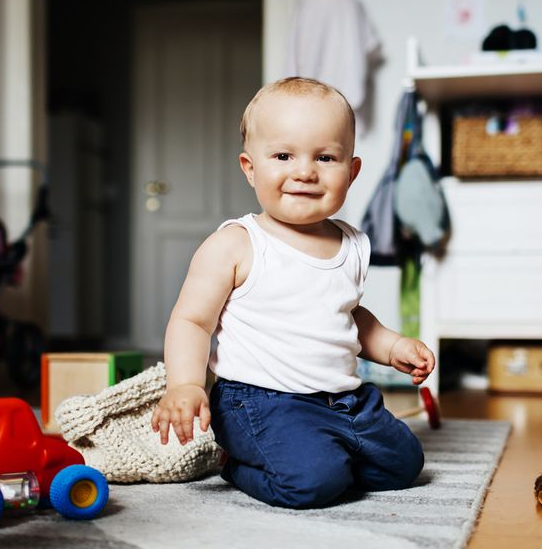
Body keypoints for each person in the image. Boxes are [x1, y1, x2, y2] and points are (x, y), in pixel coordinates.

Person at [151, 76, 436, 509]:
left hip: (344, 398)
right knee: (312, 484)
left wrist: (392, 345)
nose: (304, 171)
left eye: (325, 157)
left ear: (351, 171)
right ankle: (236, 463)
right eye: (283, 155)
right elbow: (192, 320)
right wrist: (186, 383)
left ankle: (327, 454)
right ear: (250, 167)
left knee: (403, 464)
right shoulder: (237, 244)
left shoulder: (353, 243)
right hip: (260, 401)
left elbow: (348, 315)